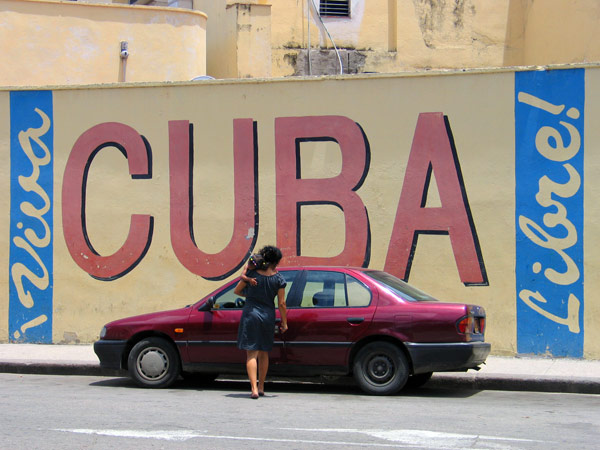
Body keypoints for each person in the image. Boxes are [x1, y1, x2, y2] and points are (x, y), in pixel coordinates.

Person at [234, 245, 287, 399]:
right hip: (268, 316)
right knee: (264, 352)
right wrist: (284, 323)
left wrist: (251, 296)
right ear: (277, 261)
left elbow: (237, 291)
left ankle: (254, 389)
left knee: (252, 354)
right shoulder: (279, 279)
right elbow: (282, 304)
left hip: (251, 314)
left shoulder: (251, 274)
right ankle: (262, 386)